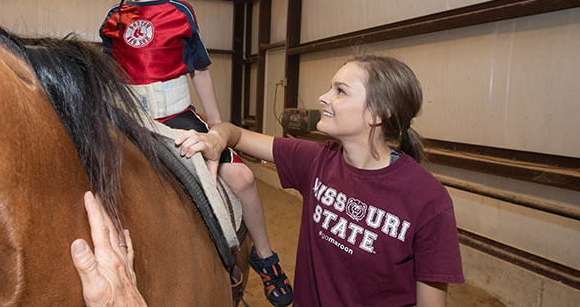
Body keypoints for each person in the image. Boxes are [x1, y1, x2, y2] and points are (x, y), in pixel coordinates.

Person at [99, 0, 292, 306]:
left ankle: (264, 254)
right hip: (131, 121)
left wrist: (221, 130)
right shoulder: (112, 21)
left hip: (178, 116)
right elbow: (107, 77)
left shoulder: (181, 14)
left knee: (240, 179)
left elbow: (200, 70)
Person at [175, 55, 465, 306]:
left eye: (340, 91)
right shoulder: (317, 161)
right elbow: (235, 133)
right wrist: (215, 138)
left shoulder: (428, 200)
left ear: (378, 114)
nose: (323, 97)